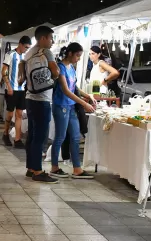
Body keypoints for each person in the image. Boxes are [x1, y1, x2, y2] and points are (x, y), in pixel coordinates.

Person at [20, 26, 60, 184]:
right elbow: (55, 72)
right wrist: (55, 74)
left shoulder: (28, 53)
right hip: (42, 99)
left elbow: (22, 75)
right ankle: (37, 170)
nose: (52, 42)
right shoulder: (46, 52)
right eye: (50, 38)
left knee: (32, 135)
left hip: (30, 97)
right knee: (40, 136)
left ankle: (31, 168)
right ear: (43, 38)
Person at [50, 43, 96, 179]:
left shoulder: (71, 68)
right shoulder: (60, 68)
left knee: (76, 137)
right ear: (70, 53)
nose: (78, 59)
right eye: (77, 55)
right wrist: (83, 103)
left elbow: (74, 86)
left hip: (70, 106)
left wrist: (87, 96)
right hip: (61, 105)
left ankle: (77, 169)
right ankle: (54, 167)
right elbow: (65, 90)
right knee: (60, 137)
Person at [2, 36, 32, 148]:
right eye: (25, 47)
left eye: (28, 47)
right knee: (10, 113)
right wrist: (8, 86)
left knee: (19, 114)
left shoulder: (25, 56)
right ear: (20, 44)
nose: (26, 49)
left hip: (21, 89)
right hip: (11, 89)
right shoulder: (10, 54)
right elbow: (3, 71)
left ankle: (17, 139)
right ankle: (5, 133)